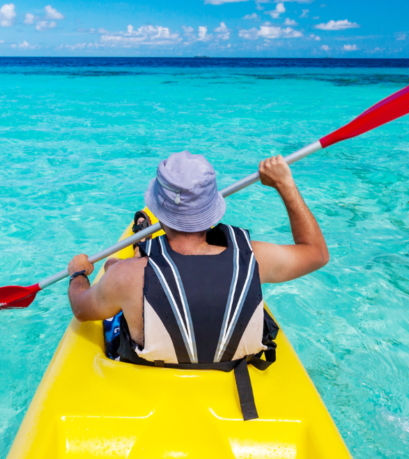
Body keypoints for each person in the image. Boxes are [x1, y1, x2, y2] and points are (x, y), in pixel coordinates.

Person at [66, 150, 329, 368]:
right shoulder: (257, 259)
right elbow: (317, 253)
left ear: (160, 212)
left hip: (150, 375)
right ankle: (143, 251)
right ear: (212, 210)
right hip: (234, 382)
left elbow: (81, 309)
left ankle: (142, 250)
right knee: (125, 271)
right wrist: (285, 184)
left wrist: (78, 274)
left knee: (117, 269)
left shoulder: (126, 277)